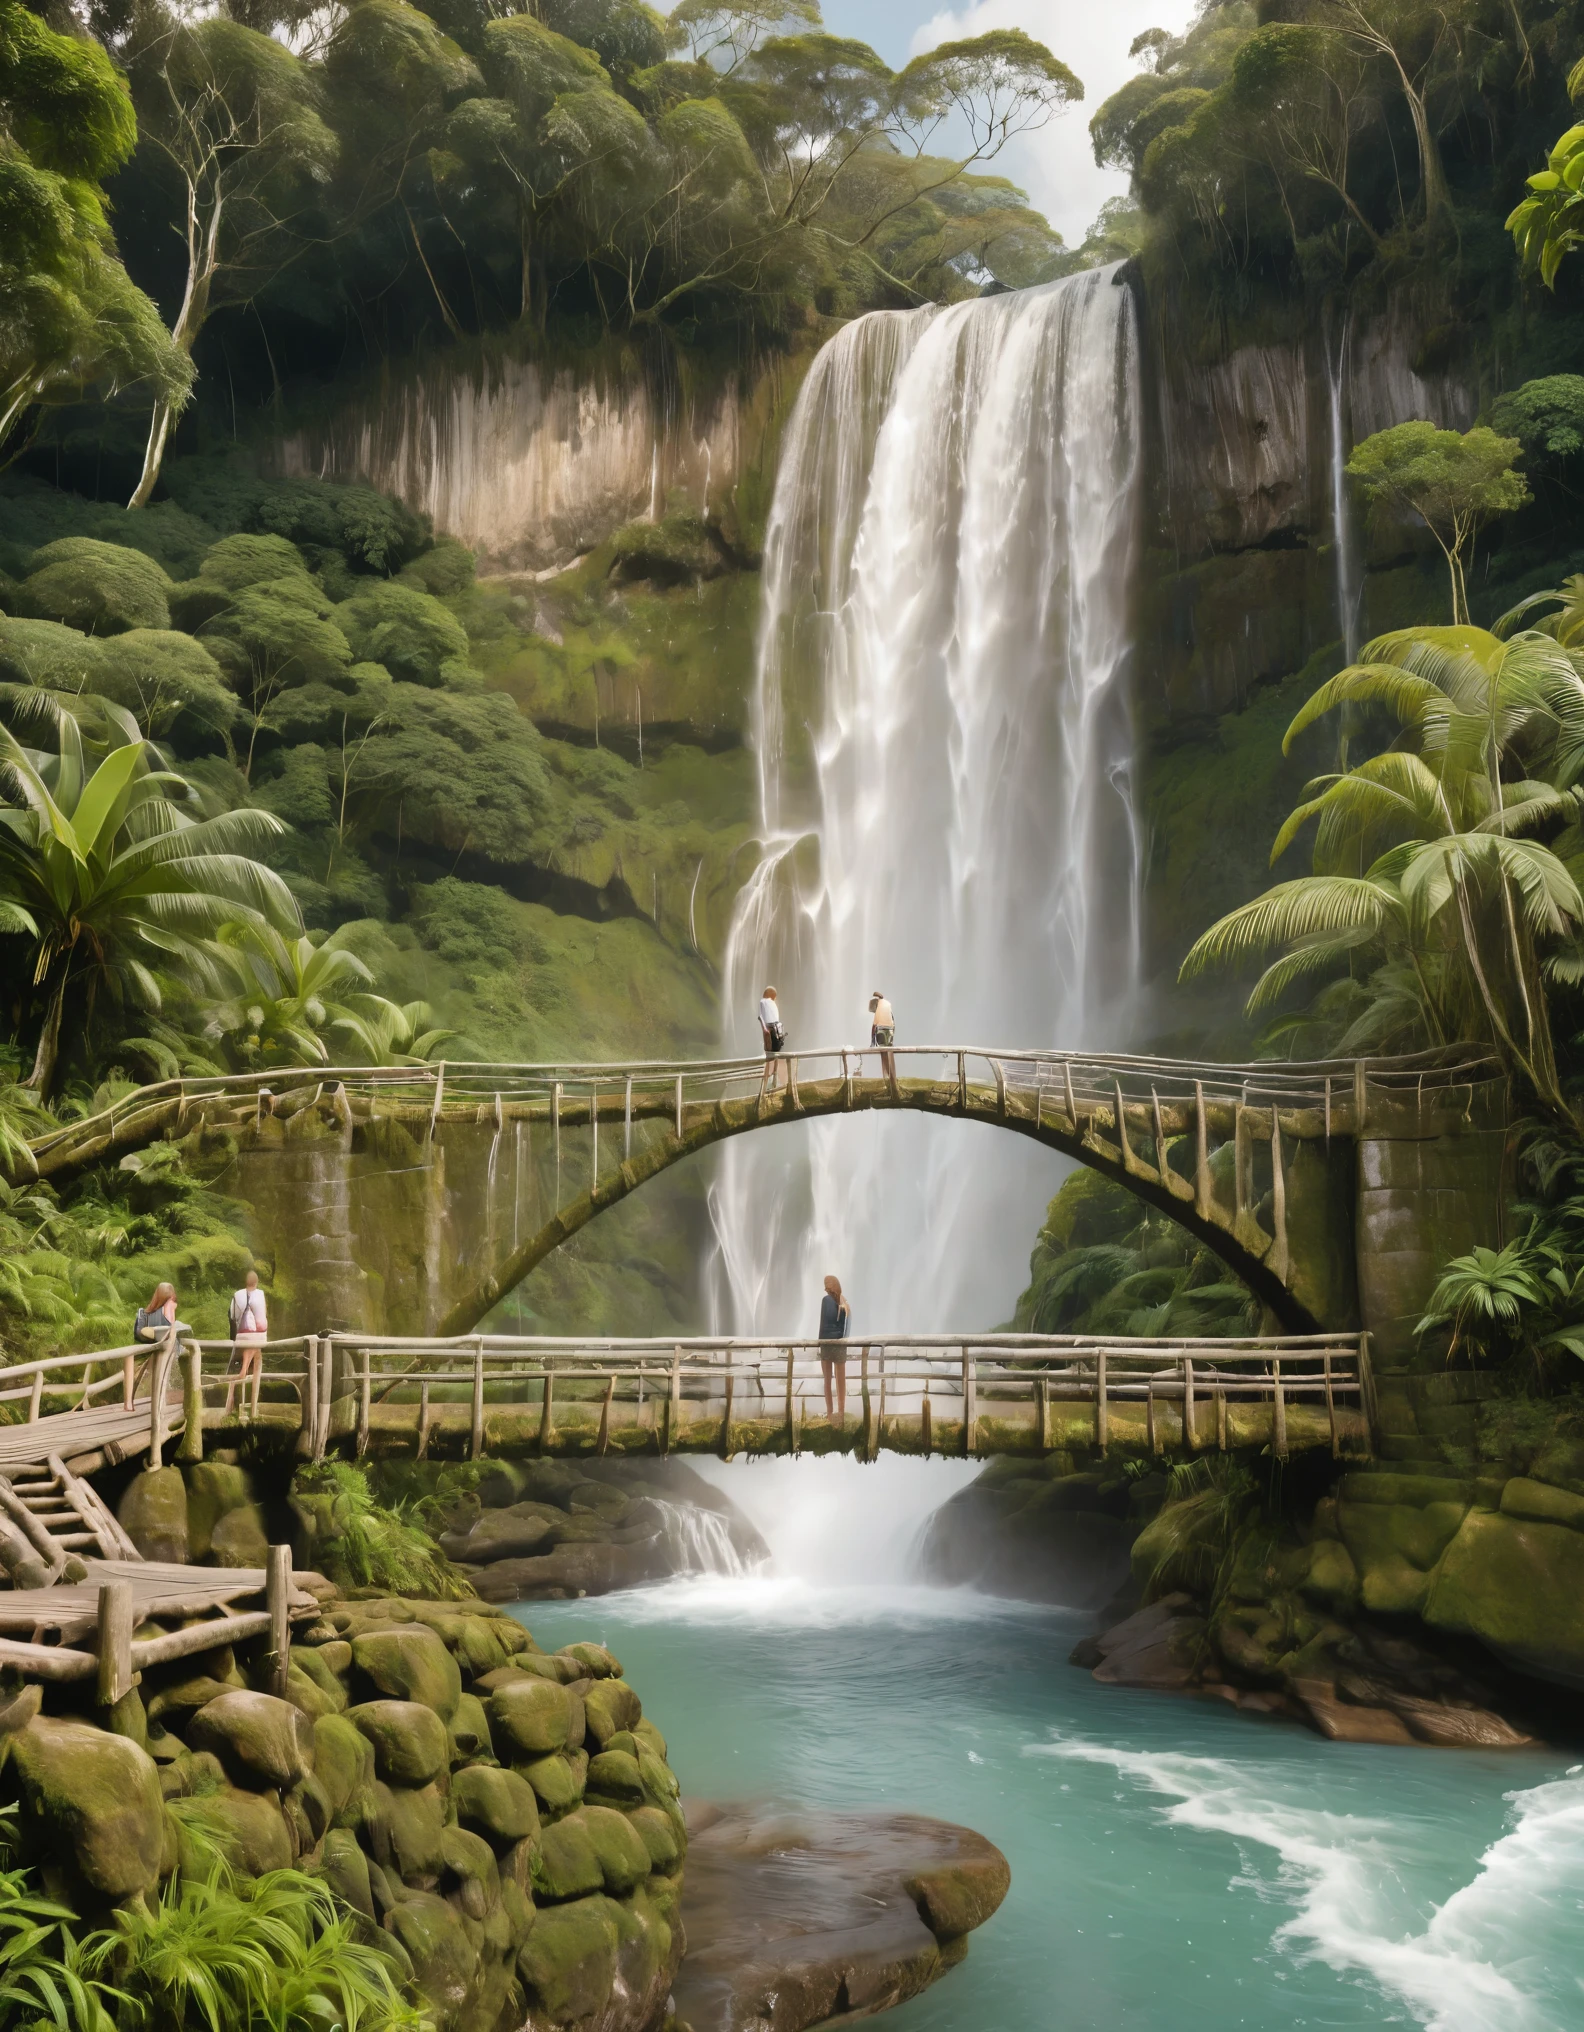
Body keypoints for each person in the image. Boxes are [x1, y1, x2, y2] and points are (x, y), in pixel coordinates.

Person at [224, 1269, 269, 1419]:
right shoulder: (261, 1294)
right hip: (258, 1338)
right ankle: (253, 1401)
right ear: (256, 1283)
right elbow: (263, 1318)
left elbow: (233, 1316)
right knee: (256, 1346)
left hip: (241, 1336)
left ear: (245, 1282)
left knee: (250, 1343)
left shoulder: (237, 1295)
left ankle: (243, 1371)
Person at [818, 1273, 850, 1422]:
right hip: (840, 1344)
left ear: (830, 1286)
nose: (824, 1288)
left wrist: (820, 1343)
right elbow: (847, 1328)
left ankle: (830, 1414)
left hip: (826, 1344)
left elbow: (823, 1324)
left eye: (826, 1284)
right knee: (840, 1380)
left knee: (827, 1379)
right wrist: (843, 1341)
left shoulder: (826, 1300)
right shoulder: (845, 1304)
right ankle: (841, 1413)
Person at [758, 985, 786, 1093]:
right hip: (778, 1030)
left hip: (770, 1030)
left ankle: (767, 1082)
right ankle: (773, 1081)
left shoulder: (763, 1002)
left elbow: (761, 1017)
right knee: (775, 1056)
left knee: (769, 1056)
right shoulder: (772, 1003)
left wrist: (765, 1030)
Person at [868, 989, 896, 1083]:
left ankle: (886, 1077)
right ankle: (893, 1076)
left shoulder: (879, 1006)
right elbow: (892, 1019)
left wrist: (872, 1040)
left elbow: (874, 1025)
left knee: (883, 1053)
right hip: (890, 1029)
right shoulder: (888, 1004)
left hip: (881, 1030)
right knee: (890, 1051)